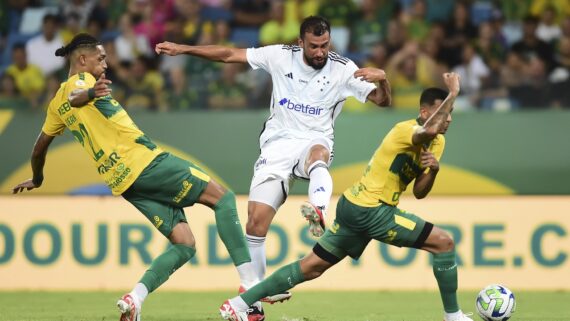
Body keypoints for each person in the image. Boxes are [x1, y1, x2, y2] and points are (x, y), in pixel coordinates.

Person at [12, 34, 260, 321]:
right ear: (82, 60)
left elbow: (40, 146)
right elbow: (76, 96)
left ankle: (135, 299)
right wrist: (91, 94)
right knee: (224, 198)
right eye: (101, 58)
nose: (106, 63)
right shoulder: (82, 83)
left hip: (125, 182)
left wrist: (38, 178)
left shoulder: (55, 105)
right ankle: (251, 285)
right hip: (145, 163)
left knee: (184, 244)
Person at [155, 16, 392, 302]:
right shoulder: (279, 55)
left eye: (325, 45)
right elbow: (230, 54)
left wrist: (384, 80)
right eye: (314, 46)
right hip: (276, 147)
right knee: (255, 223)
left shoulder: (344, 69)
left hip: (314, 140)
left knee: (319, 156)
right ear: (300, 42)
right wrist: (183, 48)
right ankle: (256, 293)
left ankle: (318, 209)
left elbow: (382, 100)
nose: (320, 52)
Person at [219, 72, 474, 321]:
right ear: (424, 114)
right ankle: (453, 316)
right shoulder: (405, 130)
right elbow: (427, 132)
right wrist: (454, 93)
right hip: (373, 210)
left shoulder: (438, 143)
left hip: (355, 207)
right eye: (444, 113)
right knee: (444, 243)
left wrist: (434, 171)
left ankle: (238, 304)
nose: (449, 119)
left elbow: (420, 192)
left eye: (450, 113)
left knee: (311, 267)